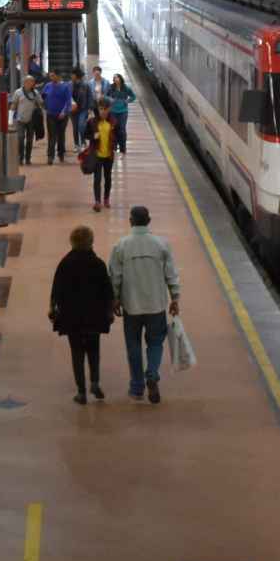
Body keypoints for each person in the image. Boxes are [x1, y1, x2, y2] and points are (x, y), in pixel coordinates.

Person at [110, 205, 181, 404]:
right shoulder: (161, 244)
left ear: (130, 221)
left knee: (133, 345)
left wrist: (115, 298)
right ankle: (152, 373)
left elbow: (115, 275)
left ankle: (137, 387)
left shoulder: (121, 245)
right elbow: (171, 274)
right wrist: (175, 298)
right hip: (156, 305)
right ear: (149, 221)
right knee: (156, 342)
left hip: (131, 306)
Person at [50, 225, 114, 404]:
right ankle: (95, 381)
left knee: (77, 352)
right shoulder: (98, 263)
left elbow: (56, 290)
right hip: (94, 315)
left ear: (72, 242)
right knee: (94, 349)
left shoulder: (65, 263)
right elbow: (107, 290)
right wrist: (109, 310)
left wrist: (53, 308)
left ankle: (81, 392)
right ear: (91, 242)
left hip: (72, 316)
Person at [84, 99, 117, 211]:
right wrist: (93, 136)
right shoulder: (92, 122)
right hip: (97, 155)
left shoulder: (112, 122)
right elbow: (85, 134)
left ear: (109, 109)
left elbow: (117, 135)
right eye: (100, 109)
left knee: (107, 178)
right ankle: (97, 201)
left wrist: (118, 146)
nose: (102, 111)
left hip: (108, 155)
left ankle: (106, 198)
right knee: (97, 179)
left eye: (105, 109)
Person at [10, 76, 43, 166]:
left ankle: (28, 158)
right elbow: (13, 105)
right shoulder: (18, 92)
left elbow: (41, 103)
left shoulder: (35, 93)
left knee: (29, 140)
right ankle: (20, 157)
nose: (32, 83)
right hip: (20, 119)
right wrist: (10, 119)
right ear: (25, 82)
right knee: (20, 138)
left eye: (33, 82)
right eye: (30, 82)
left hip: (31, 120)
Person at [41, 72, 73, 164]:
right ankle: (50, 156)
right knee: (52, 136)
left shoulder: (65, 87)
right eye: (50, 76)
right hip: (51, 114)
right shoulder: (47, 86)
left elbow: (68, 101)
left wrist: (64, 111)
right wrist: (44, 105)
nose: (51, 77)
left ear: (58, 76)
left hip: (62, 115)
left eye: (53, 75)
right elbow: (43, 97)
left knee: (61, 135)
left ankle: (61, 153)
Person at [107, 74, 137, 155]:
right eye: (115, 78)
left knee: (122, 129)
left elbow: (133, 96)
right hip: (113, 111)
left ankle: (123, 147)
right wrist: (110, 99)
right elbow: (105, 96)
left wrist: (127, 101)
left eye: (117, 77)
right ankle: (114, 146)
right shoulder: (111, 87)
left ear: (120, 79)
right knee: (114, 128)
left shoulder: (126, 88)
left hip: (123, 111)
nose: (116, 79)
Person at [69, 69, 94, 142]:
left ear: (76, 76)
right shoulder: (69, 85)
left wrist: (90, 108)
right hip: (73, 110)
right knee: (75, 128)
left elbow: (90, 96)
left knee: (81, 126)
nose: (71, 76)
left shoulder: (85, 85)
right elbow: (66, 96)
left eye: (72, 74)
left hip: (83, 109)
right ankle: (76, 144)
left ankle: (83, 141)